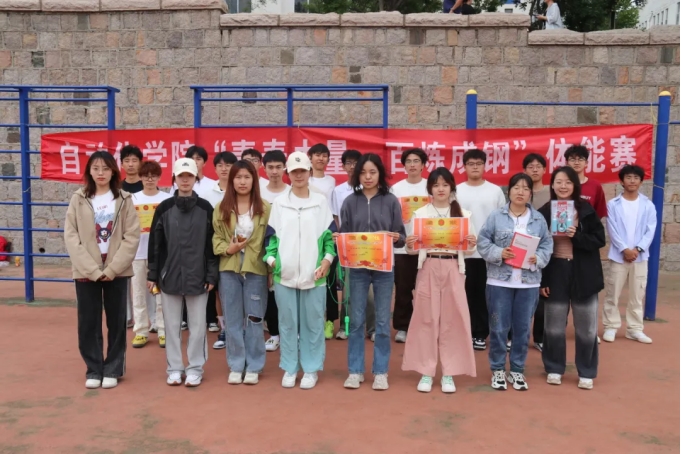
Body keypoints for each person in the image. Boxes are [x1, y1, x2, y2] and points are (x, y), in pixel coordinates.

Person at [64, 151, 140, 389]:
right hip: (86, 270)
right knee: (88, 321)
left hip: (117, 269)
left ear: (113, 172)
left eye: (105, 168)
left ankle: (113, 368)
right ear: (89, 171)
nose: (100, 173)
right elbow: (71, 236)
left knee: (117, 322)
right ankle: (94, 369)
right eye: (96, 168)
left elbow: (132, 236)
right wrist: (92, 270)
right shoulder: (78, 198)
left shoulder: (124, 199)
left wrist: (113, 268)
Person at [264, 151, 336, 390]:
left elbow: (329, 239)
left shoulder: (320, 202)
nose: (298, 175)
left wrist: (326, 261)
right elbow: (270, 240)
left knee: (313, 323)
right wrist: (273, 261)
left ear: (309, 172)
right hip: (284, 277)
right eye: (294, 171)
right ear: (288, 173)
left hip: (314, 276)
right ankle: (290, 367)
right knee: (287, 323)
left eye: (302, 171)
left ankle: (311, 368)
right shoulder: (279, 203)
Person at [403, 168, 478, 393]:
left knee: (453, 319)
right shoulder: (421, 214)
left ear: (452, 187)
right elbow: (412, 250)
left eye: (445, 185)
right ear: (430, 189)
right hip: (428, 266)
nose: (441, 189)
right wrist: (410, 244)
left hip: (454, 267)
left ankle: (449, 373)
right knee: (425, 319)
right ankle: (426, 371)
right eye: (436, 185)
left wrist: (471, 242)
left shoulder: (463, 214)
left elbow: (470, 250)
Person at [477, 173, 553, 391]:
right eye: (516, 187)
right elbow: (483, 242)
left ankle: (517, 369)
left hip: (528, 283)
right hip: (499, 281)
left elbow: (547, 245)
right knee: (498, 327)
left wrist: (538, 258)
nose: (521, 192)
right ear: (508, 191)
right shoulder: (496, 216)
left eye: (525, 188)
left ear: (530, 193)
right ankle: (498, 369)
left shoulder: (538, 219)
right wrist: (499, 253)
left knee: (522, 329)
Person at [147, 158, 219, 388]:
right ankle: (175, 368)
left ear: (196, 178)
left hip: (198, 276)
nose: (185, 180)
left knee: (198, 327)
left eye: (189, 176)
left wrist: (211, 275)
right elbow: (155, 244)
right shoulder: (164, 208)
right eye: (181, 176)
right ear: (174, 179)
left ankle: (195, 368)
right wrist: (153, 274)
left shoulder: (206, 208)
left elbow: (212, 245)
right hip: (169, 276)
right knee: (172, 326)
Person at [340, 153, 406, 391]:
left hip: (383, 269)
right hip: (357, 269)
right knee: (357, 320)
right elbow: (345, 233)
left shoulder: (390, 201)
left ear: (380, 174)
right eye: (363, 172)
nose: (367, 177)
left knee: (382, 321)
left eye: (372, 172)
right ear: (357, 175)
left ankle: (380, 372)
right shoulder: (350, 202)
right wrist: (340, 240)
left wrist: (397, 237)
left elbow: (401, 237)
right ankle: (355, 371)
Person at [539, 166, 605, 390]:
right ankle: (554, 367)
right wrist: (543, 280)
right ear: (552, 185)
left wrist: (577, 236)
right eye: (558, 182)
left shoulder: (586, 210)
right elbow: (538, 246)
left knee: (586, 327)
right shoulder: (544, 211)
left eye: (568, 182)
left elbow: (599, 240)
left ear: (575, 185)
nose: (563, 186)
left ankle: (586, 371)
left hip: (583, 273)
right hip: (555, 271)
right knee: (554, 325)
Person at [213, 160, 271, 385]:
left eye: (247, 177)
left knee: (255, 318)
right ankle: (236, 364)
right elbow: (216, 238)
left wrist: (270, 269)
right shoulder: (221, 208)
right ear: (232, 180)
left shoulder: (265, 208)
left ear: (254, 180)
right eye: (238, 177)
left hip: (256, 269)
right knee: (233, 318)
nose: (242, 182)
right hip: (229, 269)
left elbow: (271, 242)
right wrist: (228, 249)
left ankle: (254, 365)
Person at [456, 149, 506, 351]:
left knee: (488, 295)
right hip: (464, 252)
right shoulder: (456, 190)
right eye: (471, 163)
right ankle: (468, 331)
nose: (475, 167)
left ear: (485, 166)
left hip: (489, 253)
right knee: (466, 294)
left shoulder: (495, 191)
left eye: (478, 163)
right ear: (464, 167)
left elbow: (502, 220)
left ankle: (482, 333)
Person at [603, 165, 656, 344]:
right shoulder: (613, 204)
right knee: (613, 292)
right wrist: (624, 249)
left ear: (641, 181)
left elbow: (650, 230)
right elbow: (612, 229)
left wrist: (638, 249)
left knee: (637, 294)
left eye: (636, 178)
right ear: (622, 181)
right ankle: (611, 326)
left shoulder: (648, 205)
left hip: (640, 257)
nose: (632, 181)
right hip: (619, 256)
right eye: (628, 177)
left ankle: (634, 329)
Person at [331, 150, 376, 342]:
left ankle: (372, 328)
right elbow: (336, 218)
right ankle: (345, 326)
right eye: (348, 163)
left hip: (373, 248)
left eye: (355, 163)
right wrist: (341, 241)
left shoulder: (373, 190)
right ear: (343, 166)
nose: (352, 167)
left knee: (372, 293)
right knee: (349, 289)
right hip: (350, 247)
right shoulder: (339, 191)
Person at [130, 161, 171, 349]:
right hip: (137, 253)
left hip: (161, 253)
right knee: (138, 293)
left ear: (159, 177)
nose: (149, 179)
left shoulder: (167, 199)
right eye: (146, 176)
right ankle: (141, 331)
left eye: (153, 176)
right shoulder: (132, 199)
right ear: (140, 177)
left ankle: (163, 330)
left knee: (162, 294)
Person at [390, 148, 430, 344]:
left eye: (416, 161)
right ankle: (403, 327)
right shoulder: (396, 189)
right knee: (403, 289)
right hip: (402, 247)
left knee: (426, 290)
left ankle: (425, 326)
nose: (412, 165)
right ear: (404, 165)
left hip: (427, 247)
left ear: (423, 165)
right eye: (409, 161)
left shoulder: (430, 186)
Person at [203, 151, 238, 349]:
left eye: (229, 165)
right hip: (216, 248)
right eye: (220, 165)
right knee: (220, 291)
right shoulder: (207, 193)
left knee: (240, 290)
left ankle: (241, 328)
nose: (224, 169)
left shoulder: (242, 188)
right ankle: (224, 329)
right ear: (215, 168)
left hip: (240, 248)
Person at [307, 143, 339, 340]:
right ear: (310, 158)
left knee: (329, 280)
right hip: (308, 234)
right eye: (317, 155)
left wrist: (335, 233)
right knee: (311, 278)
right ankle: (313, 320)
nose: (320, 158)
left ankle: (330, 320)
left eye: (324, 155)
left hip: (327, 233)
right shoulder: (304, 179)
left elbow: (334, 211)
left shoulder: (332, 181)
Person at [260, 150, 291, 352]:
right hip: (263, 249)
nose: (274, 171)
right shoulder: (258, 193)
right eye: (270, 167)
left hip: (288, 249)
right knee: (269, 292)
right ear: (264, 169)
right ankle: (274, 334)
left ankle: (292, 333)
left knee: (288, 293)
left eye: (278, 167)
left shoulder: (291, 192)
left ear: (284, 168)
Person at [523, 152, 550, 352]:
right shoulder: (520, 191)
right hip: (522, 249)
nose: (534, 170)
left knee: (544, 294)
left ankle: (540, 336)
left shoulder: (552, 193)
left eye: (538, 166)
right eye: (530, 167)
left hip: (545, 249)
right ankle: (515, 336)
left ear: (544, 170)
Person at [120, 145, 143, 329]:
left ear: (140, 163)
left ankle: (148, 320)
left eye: (134, 160)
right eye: (127, 160)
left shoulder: (147, 186)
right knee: (122, 278)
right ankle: (126, 315)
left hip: (144, 241)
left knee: (144, 281)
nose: (130, 164)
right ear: (121, 164)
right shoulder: (116, 188)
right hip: (122, 240)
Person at [564, 145, 607, 219]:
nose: (576, 163)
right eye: (572, 159)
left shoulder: (595, 185)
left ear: (586, 163)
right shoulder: (562, 185)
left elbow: (599, 213)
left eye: (580, 159)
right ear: (566, 163)